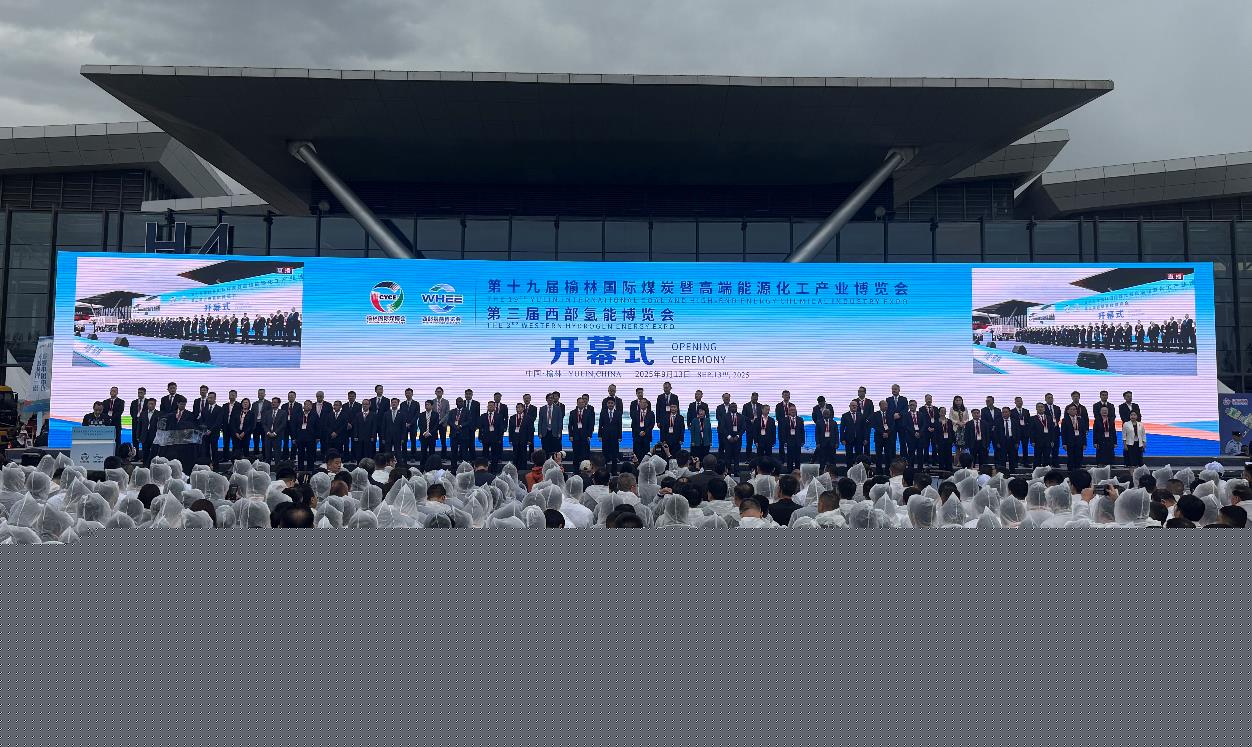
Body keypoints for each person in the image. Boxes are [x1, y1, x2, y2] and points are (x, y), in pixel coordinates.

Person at [479, 400, 508, 471]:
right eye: (489, 405)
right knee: (485, 455)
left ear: (495, 407)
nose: (490, 407)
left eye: (492, 405)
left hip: (495, 438)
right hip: (485, 438)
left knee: (494, 455)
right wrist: (480, 437)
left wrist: (500, 438)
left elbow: (501, 428)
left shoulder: (499, 416)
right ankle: (484, 470)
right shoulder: (483, 416)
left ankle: (494, 470)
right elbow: (481, 427)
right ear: (487, 407)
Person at [567, 395, 595, 467]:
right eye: (579, 402)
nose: (581, 404)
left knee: (585, 454)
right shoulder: (572, 412)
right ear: (577, 403)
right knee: (576, 454)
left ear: (584, 403)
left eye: (582, 402)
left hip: (585, 436)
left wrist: (589, 435)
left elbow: (591, 425)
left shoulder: (588, 412)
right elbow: (570, 425)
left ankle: (585, 469)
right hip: (575, 436)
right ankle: (576, 470)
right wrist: (570, 435)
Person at [717, 402, 744, 474]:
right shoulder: (725, 416)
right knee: (727, 456)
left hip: (738, 440)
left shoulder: (741, 416)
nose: (734, 408)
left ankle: (736, 471)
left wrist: (737, 436)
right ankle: (728, 471)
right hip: (727, 440)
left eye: (735, 407)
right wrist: (729, 437)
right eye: (732, 407)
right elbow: (723, 427)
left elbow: (743, 428)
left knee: (737, 456)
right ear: (729, 408)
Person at [598, 395, 623, 473]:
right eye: (609, 403)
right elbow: (600, 425)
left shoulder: (618, 413)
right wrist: (599, 435)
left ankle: (614, 471)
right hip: (605, 436)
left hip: (615, 437)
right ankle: (604, 471)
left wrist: (620, 436)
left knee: (614, 455)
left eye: (612, 403)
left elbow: (620, 426)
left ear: (614, 404)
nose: (610, 404)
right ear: (607, 404)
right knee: (605, 454)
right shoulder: (603, 413)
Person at [133, 397, 160, 465]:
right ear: (147, 404)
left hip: (154, 437)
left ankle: (153, 466)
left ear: (155, 405)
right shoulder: (143, 413)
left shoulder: (158, 414)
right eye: (149, 404)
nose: (150, 405)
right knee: (145, 453)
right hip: (144, 436)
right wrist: (138, 436)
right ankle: (145, 466)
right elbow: (139, 425)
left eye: (152, 404)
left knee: (154, 453)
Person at [510, 402, 535, 470]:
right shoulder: (512, 417)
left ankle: (523, 470)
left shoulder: (528, 418)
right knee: (515, 454)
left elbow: (531, 429)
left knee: (523, 455)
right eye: (517, 407)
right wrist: (510, 439)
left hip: (524, 439)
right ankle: (515, 469)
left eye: (519, 407)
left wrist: (530, 439)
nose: (518, 409)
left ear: (523, 408)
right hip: (515, 439)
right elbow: (510, 429)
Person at [812, 404, 837, 471]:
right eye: (825, 413)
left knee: (832, 459)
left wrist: (837, 443)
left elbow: (836, 433)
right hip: (822, 444)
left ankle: (833, 472)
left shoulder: (834, 422)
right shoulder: (819, 422)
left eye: (827, 413)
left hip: (832, 444)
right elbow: (817, 434)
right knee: (822, 459)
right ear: (823, 414)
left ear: (829, 414)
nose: (826, 415)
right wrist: (817, 443)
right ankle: (821, 472)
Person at [1062, 403, 1087, 470]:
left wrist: (1084, 443)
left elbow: (1083, 433)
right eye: (1071, 409)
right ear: (1068, 411)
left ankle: (1078, 470)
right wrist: (1064, 443)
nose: (1073, 410)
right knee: (1071, 458)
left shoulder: (1080, 419)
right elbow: (1063, 433)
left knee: (1079, 457)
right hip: (1070, 442)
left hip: (1079, 441)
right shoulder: (1065, 420)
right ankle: (1070, 472)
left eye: (1074, 409)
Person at [841, 400, 867, 466]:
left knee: (859, 457)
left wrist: (865, 438)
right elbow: (842, 428)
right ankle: (849, 470)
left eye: (856, 406)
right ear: (849, 406)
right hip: (848, 439)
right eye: (853, 405)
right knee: (849, 456)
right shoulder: (845, 416)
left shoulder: (860, 415)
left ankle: (859, 470)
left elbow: (864, 428)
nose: (854, 407)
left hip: (859, 439)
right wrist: (842, 439)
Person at [538, 392, 564, 456]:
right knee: (545, 450)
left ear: (553, 399)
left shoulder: (558, 408)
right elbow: (540, 421)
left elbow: (560, 421)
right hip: (545, 432)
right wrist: (540, 433)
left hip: (554, 432)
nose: (550, 399)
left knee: (555, 450)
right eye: (548, 398)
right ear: (546, 399)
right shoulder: (542, 408)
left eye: (551, 398)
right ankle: (546, 461)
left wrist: (559, 432)